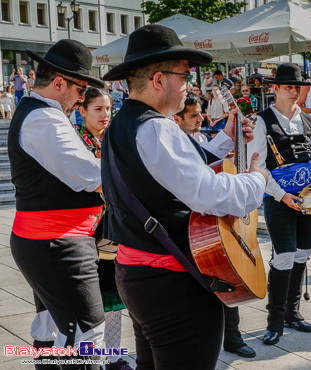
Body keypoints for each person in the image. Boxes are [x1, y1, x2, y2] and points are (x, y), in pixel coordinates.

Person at [100, 24, 267, 369]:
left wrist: (226, 138)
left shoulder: (124, 122)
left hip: (139, 274)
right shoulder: (156, 127)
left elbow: (172, 170)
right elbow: (208, 193)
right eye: (185, 76)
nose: (189, 85)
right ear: (159, 79)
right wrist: (257, 181)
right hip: (173, 281)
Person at [8, 39, 105, 367]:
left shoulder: (44, 114)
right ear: (60, 82)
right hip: (58, 243)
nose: (84, 96)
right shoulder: (42, 119)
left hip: (49, 241)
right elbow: (93, 175)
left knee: (53, 328)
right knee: (87, 333)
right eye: (81, 88)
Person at [247, 63, 311, 345]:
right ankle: (274, 320)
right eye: (288, 87)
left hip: (308, 198)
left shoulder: (307, 120)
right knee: (283, 255)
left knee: (303, 252)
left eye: (297, 86)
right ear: (275, 89)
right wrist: (282, 194)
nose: (294, 91)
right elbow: (255, 164)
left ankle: (293, 313)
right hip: (278, 197)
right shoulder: (262, 120)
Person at [173, 94, 256, 359]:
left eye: (201, 114)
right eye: (194, 116)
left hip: (212, 223)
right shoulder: (173, 144)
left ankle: (233, 337)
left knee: (227, 275)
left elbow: (213, 162)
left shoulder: (199, 140)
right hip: (189, 228)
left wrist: (234, 140)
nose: (201, 120)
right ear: (177, 119)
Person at [75, 87, 133, 370]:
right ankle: (90, 359)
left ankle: (114, 357)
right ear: (82, 110)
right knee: (87, 302)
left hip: (114, 230)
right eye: (98, 109)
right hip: (85, 232)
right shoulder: (75, 143)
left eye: (108, 108)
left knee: (113, 297)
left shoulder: (114, 141)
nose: (105, 115)